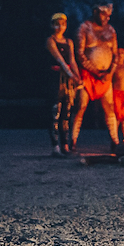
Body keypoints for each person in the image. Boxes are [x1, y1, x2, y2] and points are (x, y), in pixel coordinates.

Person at [71, 3, 121, 152]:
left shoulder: (111, 30)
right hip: (88, 76)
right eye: (103, 14)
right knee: (81, 107)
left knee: (109, 109)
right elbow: (79, 54)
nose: (107, 17)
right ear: (95, 12)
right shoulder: (84, 28)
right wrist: (96, 72)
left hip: (106, 77)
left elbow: (116, 54)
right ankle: (72, 141)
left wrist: (110, 72)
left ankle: (115, 141)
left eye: (109, 15)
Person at [46, 13, 81, 156]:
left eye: (63, 24)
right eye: (57, 24)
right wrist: (72, 75)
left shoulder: (69, 42)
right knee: (55, 112)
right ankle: (55, 148)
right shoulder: (50, 40)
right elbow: (59, 59)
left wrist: (78, 76)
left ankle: (65, 146)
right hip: (55, 79)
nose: (60, 27)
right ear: (52, 25)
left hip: (68, 82)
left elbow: (71, 61)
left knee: (66, 114)